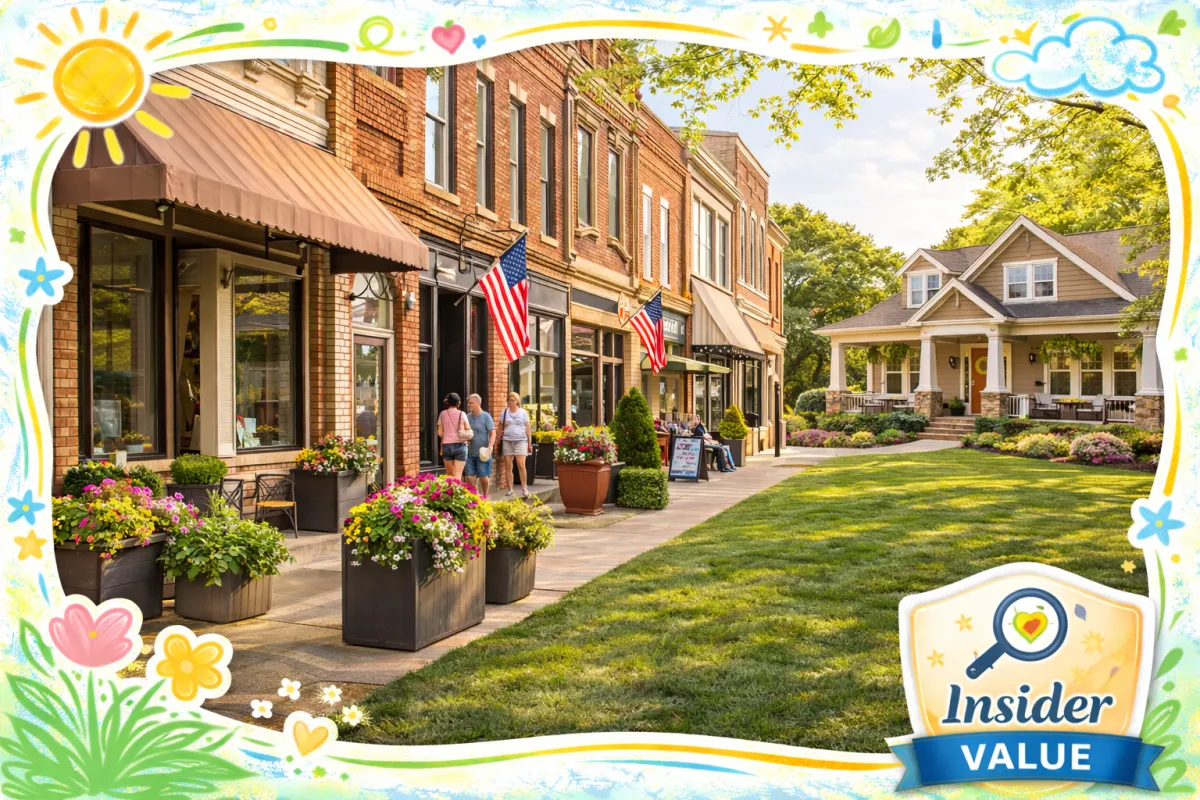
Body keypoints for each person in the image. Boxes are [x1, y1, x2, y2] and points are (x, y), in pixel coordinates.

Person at [499, 392, 532, 497]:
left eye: (512, 400)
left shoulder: (523, 413)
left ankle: (524, 488)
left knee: (521, 464)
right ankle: (510, 489)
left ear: (517, 401)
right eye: (509, 400)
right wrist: (497, 439)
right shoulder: (504, 412)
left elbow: (528, 428)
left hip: (520, 440)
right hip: (507, 440)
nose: (510, 402)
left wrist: (529, 443)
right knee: (508, 465)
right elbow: (499, 426)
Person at [463, 393, 496, 496]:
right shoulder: (467, 417)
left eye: (471, 403)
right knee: (469, 476)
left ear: (478, 403)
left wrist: (490, 446)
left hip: (483, 452)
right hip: (470, 452)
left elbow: (493, 432)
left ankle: (485, 496)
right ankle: (475, 497)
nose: (468, 405)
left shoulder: (486, 416)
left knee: (483, 476)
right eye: (468, 403)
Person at [436, 392, 472, 479]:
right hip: (461, 445)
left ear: (447, 402)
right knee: (458, 474)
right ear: (458, 403)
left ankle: (450, 488)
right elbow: (468, 429)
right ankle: (457, 488)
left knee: (449, 475)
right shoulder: (462, 414)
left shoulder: (442, 414)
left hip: (446, 446)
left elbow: (440, 432)